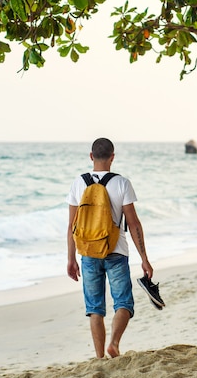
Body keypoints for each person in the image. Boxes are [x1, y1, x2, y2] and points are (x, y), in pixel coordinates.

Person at [65, 137, 154, 359]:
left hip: (88, 253)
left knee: (95, 307)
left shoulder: (79, 182)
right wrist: (144, 258)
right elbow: (133, 224)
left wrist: (71, 258)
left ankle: (99, 358)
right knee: (123, 302)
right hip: (116, 251)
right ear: (112, 157)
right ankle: (113, 344)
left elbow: (71, 226)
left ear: (91, 156)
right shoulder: (121, 183)